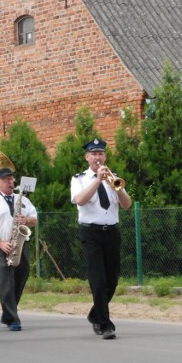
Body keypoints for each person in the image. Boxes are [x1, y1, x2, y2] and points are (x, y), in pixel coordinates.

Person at [71, 138, 132, 340]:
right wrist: (97, 180)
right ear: (87, 157)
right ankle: (105, 324)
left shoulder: (114, 178)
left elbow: (127, 205)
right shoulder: (79, 179)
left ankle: (95, 314)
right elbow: (79, 200)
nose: (98, 157)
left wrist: (117, 188)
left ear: (105, 156)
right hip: (91, 233)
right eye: (94, 154)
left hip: (112, 232)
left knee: (112, 279)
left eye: (101, 154)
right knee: (98, 280)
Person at [0, 167, 37, 331]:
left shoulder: (23, 200)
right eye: (6, 179)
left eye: (12, 179)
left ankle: (8, 312)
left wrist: (26, 219)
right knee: (6, 282)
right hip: (1, 245)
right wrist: (0, 243)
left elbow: (35, 219)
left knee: (21, 276)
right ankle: (13, 319)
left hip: (20, 243)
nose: (10, 182)